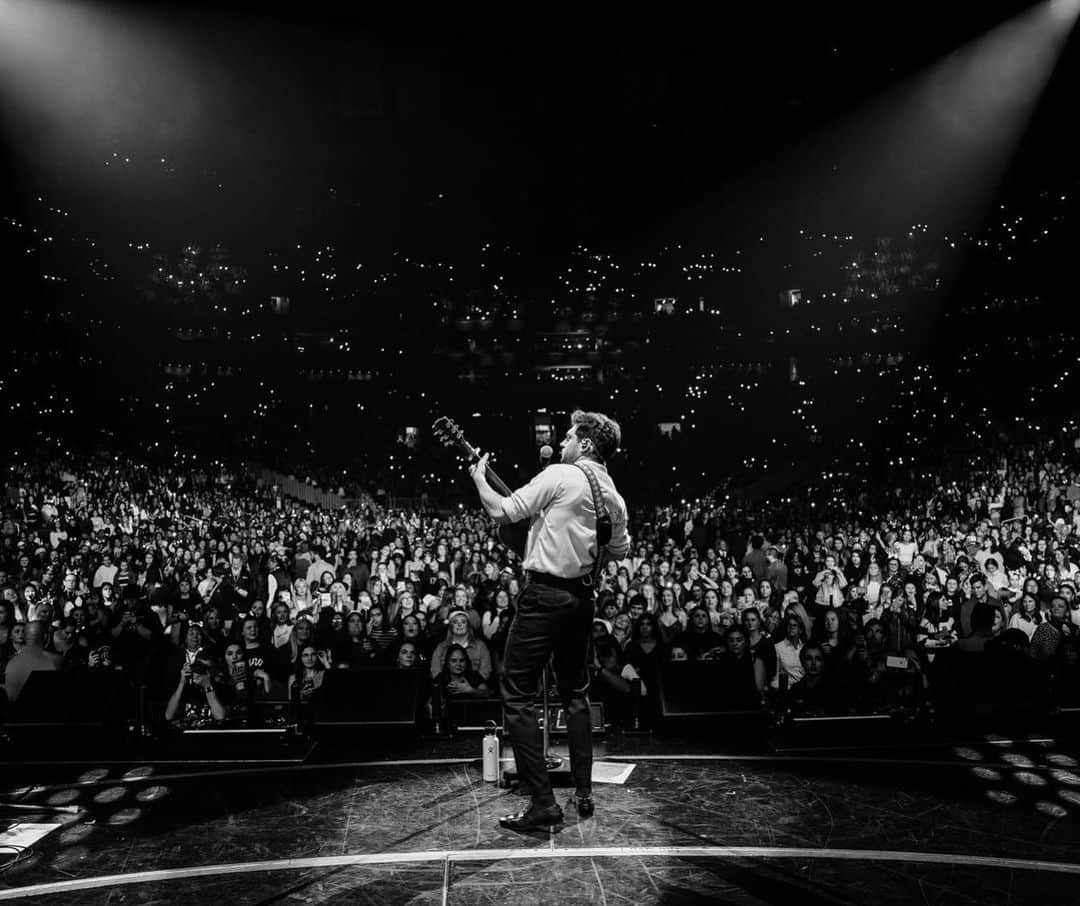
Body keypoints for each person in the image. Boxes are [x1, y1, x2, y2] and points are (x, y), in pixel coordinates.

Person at [469, 409, 629, 831]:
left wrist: (479, 479)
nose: (561, 444)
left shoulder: (561, 475)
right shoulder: (613, 496)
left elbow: (504, 511)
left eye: (570, 437)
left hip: (543, 598)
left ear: (587, 444)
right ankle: (583, 791)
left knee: (517, 693)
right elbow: (619, 551)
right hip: (582, 601)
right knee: (575, 693)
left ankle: (542, 803)